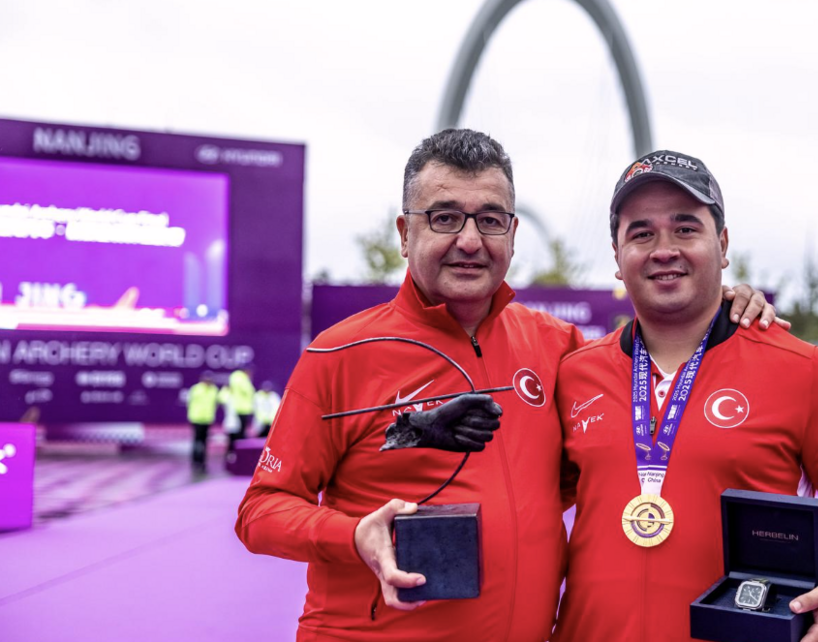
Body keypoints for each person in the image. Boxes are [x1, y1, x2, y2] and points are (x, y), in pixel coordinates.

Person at [235, 129, 780, 642]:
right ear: (405, 233)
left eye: (491, 220)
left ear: (513, 234)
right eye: (445, 217)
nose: (470, 241)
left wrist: (722, 306)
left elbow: (600, 462)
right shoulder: (340, 353)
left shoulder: (560, 348)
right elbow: (261, 510)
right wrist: (354, 536)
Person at [553, 150, 818, 642]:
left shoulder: (801, 369)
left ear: (722, 245)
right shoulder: (575, 373)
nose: (664, 248)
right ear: (617, 258)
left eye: (686, 229)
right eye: (641, 233)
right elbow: (522, 497)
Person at [186, 373, 219, 473]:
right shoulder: (196, 389)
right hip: (196, 418)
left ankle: (202, 462)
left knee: (204, 442)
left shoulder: (214, 390)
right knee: (197, 441)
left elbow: (216, 403)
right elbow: (189, 402)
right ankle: (195, 461)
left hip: (207, 419)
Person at [228, 367, 256, 437]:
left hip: (236, 406)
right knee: (240, 429)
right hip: (242, 408)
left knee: (236, 428)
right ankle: (239, 445)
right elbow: (247, 391)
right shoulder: (242, 379)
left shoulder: (234, 377)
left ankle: (236, 444)